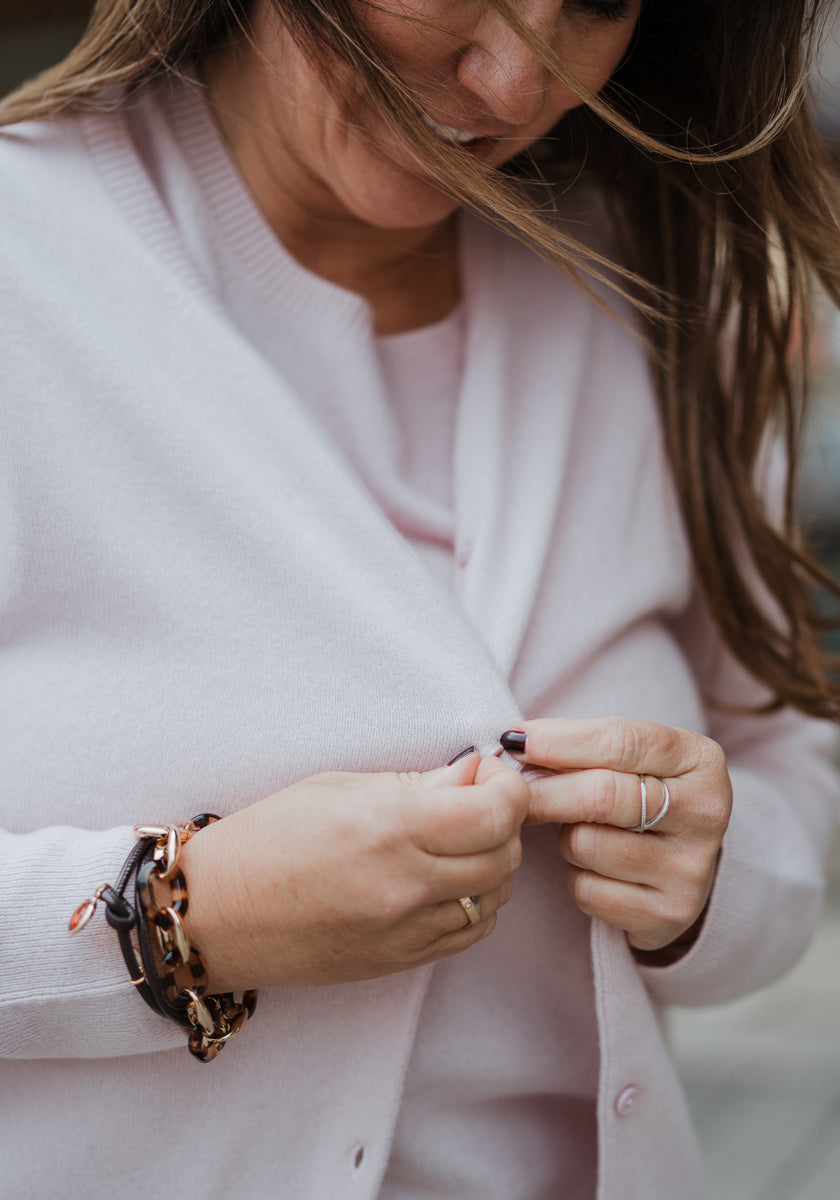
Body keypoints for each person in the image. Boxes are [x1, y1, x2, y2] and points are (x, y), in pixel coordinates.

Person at [1, 1, 839, 1197]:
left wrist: (711, 877)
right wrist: (186, 919)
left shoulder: (656, 293)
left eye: (596, 1)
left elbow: (782, 774)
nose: (510, 81)